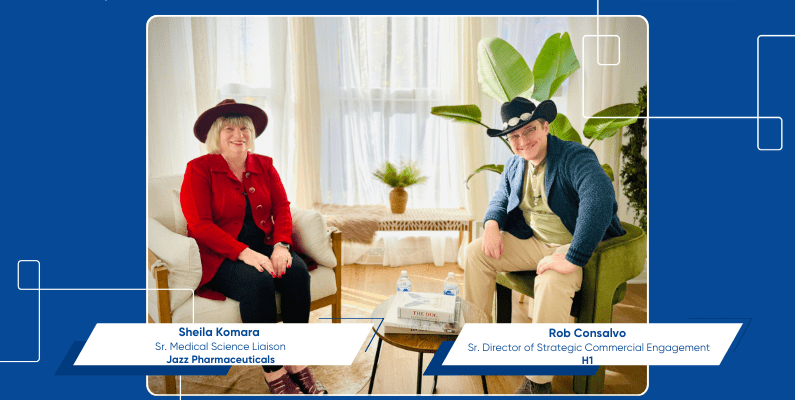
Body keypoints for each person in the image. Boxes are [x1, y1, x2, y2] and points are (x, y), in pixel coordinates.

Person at [463, 97, 626, 394]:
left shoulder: (574, 157)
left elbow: (600, 199)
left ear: (545, 126)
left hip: (575, 244)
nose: (523, 141)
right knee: (475, 253)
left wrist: (574, 256)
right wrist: (491, 225)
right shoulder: (515, 163)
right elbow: (501, 197)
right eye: (515, 136)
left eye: (530, 131)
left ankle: (538, 383)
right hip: (535, 241)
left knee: (550, 283)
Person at [180, 99, 327, 394]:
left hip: (266, 244)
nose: (239, 134)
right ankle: (273, 371)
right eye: (230, 128)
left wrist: (282, 246)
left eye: (244, 128)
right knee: (258, 282)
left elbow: (283, 208)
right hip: (221, 254)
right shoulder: (198, 169)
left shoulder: (265, 165)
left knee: (296, 272)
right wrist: (244, 253)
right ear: (216, 136)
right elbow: (199, 225)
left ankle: (296, 360)